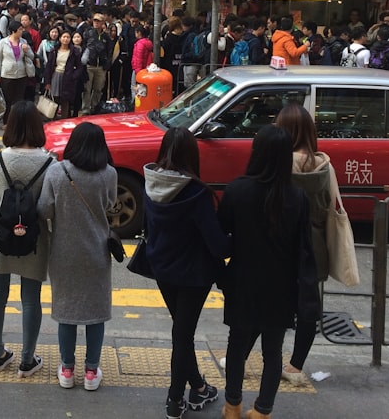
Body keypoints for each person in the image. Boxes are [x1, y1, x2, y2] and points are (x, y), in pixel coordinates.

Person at [218, 126, 320, 419]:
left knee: (237, 347)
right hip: (282, 287)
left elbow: (220, 235)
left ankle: (232, 406)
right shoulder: (297, 198)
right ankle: (262, 411)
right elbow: (304, 249)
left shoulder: (237, 190)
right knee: (272, 353)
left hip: (242, 282)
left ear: (257, 153)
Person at [144, 128, 229, 419]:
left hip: (162, 269)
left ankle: (199, 387)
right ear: (192, 155)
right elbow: (218, 245)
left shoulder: (151, 184)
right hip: (193, 275)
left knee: (182, 332)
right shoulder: (196, 193)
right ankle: (175, 400)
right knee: (183, 334)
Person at [38, 122, 118, 391]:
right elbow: (110, 205)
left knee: (67, 312)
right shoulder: (109, 174)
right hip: (96, 252)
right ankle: (92, 372)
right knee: (96, 313)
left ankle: (67, 368)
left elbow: (45, 210)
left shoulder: (56, 172)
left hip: (63, 253)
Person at [0, 101, 54, 378]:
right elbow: (47, 205)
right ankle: (27, 359)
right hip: (33, 238)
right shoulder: (49, 162)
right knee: (31, 300)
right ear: (38, 126)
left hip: (0, 233)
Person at [274, 104, 339, 388]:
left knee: (271, 300)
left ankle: (266, 358)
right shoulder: (323, 164)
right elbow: (332, 205)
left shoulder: (279, 164)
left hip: (281, 243)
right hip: (313, 244)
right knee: (308, 306)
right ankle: (295, 365)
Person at [0, 19, 36, 128]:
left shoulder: (23, 42)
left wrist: (27, 50)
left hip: (21, 75)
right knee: (7, 100)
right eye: (20, 30)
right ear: (13, 31)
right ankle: (7, 122)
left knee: (19, 101)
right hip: (7, 74)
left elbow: (32, 56)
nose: (21, 31)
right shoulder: (3, 42)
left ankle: (17, 123)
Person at [43, 30, 84, 119]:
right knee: (54, 99)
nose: (65, 39)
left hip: (68, 78)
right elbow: (48, 67)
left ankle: (65, 120)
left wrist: (73, 76)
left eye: (68, 37)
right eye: (64, 37)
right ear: (60, 38)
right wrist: (47, 81)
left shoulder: (74, 51)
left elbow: (79, 67)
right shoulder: (54, 50)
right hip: (55, 76)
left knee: (65, 100)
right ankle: (53, 120)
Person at [80, 12, 111, 114]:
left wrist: (107, 63)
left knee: (98, 88)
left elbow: (109, 50)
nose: (96, 23)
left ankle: (94, 107)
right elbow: (83, 46)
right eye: (95, 21)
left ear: (103, 23)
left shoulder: (106, 37)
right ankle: (86, 109)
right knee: (86, 89)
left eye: (98, 21)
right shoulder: (88, 33)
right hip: (89, 64)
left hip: (101, 66)